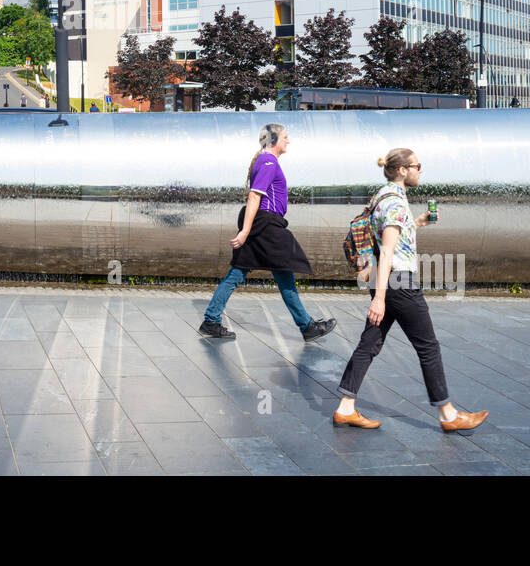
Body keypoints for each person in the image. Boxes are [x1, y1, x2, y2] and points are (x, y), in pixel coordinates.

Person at [333, 148, 488, 432]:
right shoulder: (393, 203)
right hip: (398, 283)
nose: (420, 170)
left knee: (369, 343)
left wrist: (418, 223)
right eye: (418, 165)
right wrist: (379, 298)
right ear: (403, 170)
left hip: (386, 281)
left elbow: (392, 238)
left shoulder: (385, 195)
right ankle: (448, 414)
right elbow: (388, 250)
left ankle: (345, 408)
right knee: (428, 346)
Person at [198, 124, 335, 342]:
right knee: (283, 269)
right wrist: (245, 231)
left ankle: (211, 320)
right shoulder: (269, 162)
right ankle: (306, 326)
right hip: (267, 226)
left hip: (263, 224)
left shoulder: (265, 160)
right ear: (274, 140)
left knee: (242, 273)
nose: (288, 141)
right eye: (285, 137)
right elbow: (255, 196)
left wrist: (247, 229)